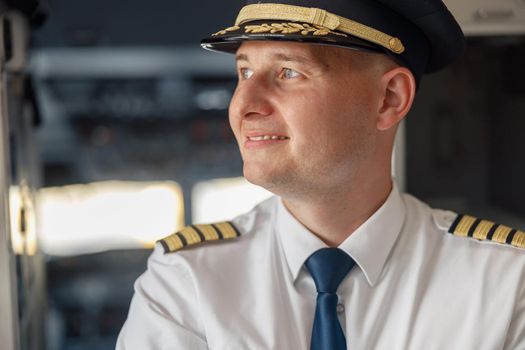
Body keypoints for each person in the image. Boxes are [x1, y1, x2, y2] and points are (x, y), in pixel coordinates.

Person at [117, 1, 525, 349]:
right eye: (243, 72)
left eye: (288, 72)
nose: (244, 105)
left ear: (389, 99)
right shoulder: (186, 282)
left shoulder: (505, 285)